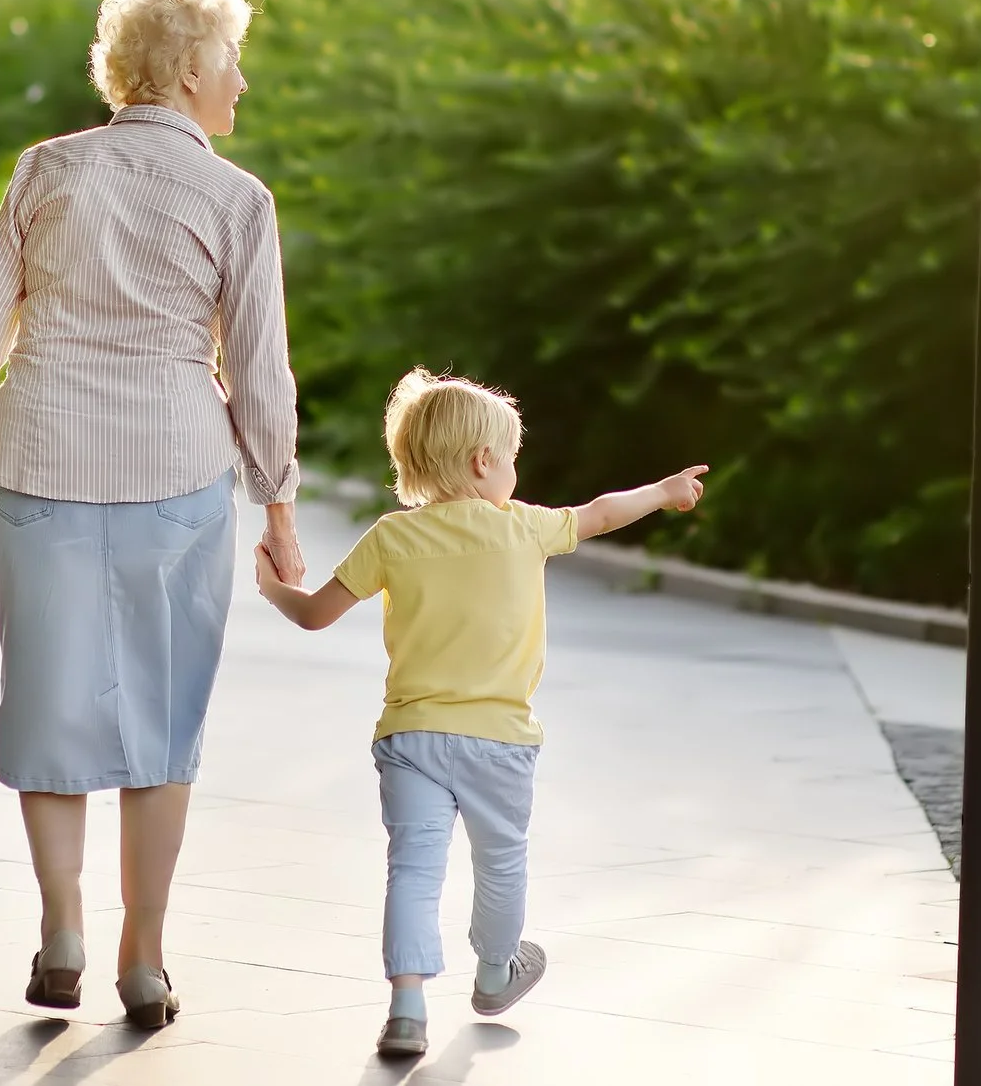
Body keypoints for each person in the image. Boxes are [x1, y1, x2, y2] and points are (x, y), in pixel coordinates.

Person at [0, 0, 305, 1029]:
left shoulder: (47, 170)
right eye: (232, 62)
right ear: (188, 70)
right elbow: (261, 373)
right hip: (177, 478)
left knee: (50, 698)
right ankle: (144, 955)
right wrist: (277, 502)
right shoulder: (238, 200)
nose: (240, 85)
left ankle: (61, 927)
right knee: (159, 720)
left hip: (38, 462)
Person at [253, 368, 707, 1059]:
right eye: (514, 458)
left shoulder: (392, 537)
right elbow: (605, 511)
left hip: (411, 738)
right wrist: (666, 492)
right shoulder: (524, 529)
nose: (517, 472)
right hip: (500, 740)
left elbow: (315, 614)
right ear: (483, 462)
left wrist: (271, 587)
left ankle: (406, 1007)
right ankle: (495, 973)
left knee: (412, 867)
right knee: (501, 862)